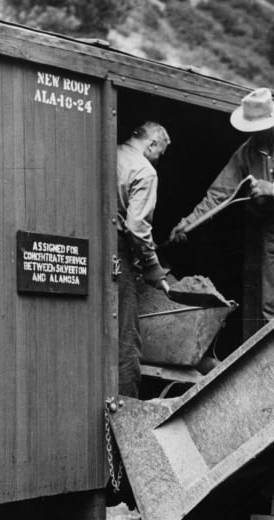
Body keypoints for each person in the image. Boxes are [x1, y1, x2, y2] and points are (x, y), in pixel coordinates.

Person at [170, 88, 274, 320]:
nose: (257, 133)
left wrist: (273, 188)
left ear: (272, 121)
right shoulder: (244, 153)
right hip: (272, 231)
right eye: (252, 128)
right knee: (271, 308)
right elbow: (218, 194)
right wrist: (189, 222)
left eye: (260, 127)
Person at [117, 121, 171, 397]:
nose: (158, 159)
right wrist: (152, 267)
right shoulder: (145, 170)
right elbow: (137, 226)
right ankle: (126, 409)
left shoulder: (109, 154)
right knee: (125, 338)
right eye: (160, 153)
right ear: (152, 144)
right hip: (117, 255)